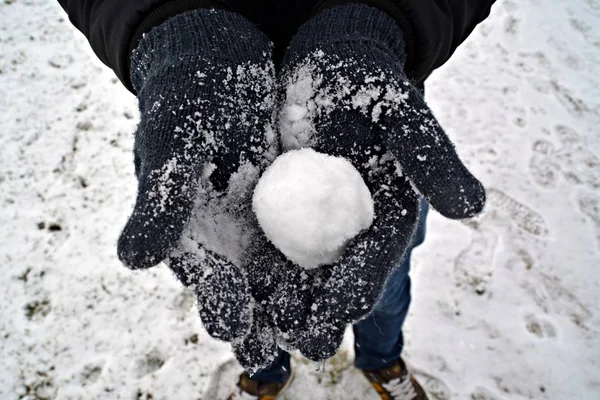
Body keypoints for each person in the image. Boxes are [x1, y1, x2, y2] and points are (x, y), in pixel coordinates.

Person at [57, 1, 495, 399]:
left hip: (367, 124)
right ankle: (268, 372)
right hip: (219, 108)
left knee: (382, 277)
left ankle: (381, 359)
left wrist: (381, 19)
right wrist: (170, 26)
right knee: (251, 294)